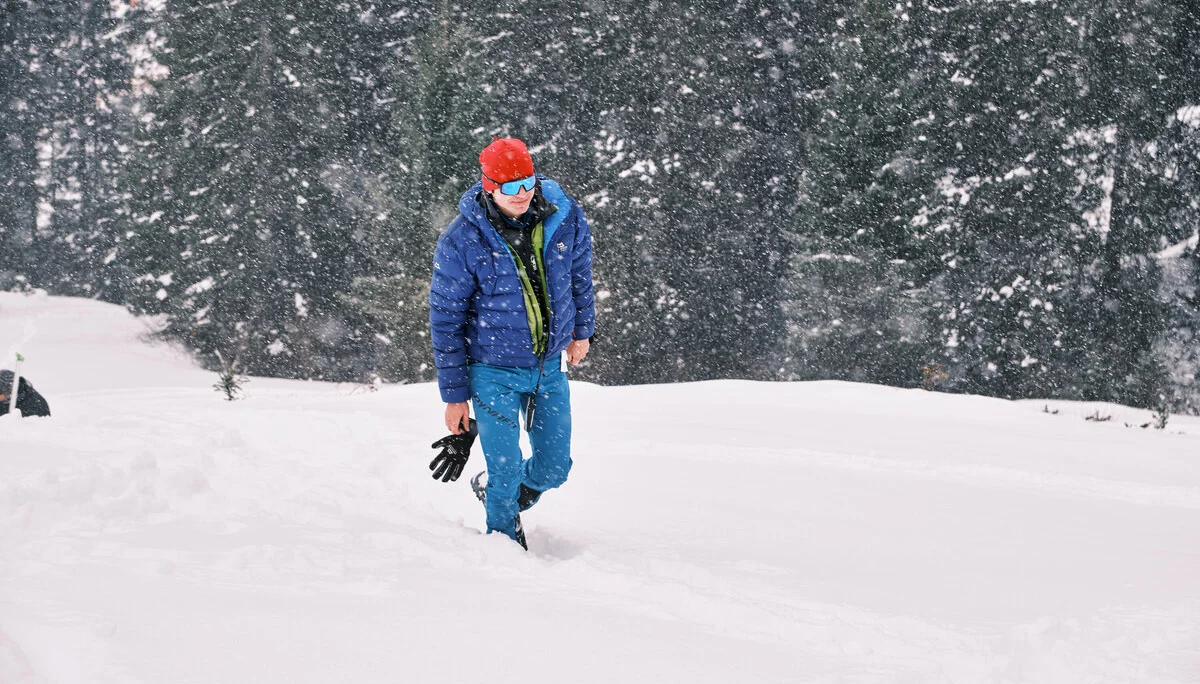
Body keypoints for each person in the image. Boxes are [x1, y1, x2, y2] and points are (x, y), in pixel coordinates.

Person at [429, 137, 595, 549]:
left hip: (548, 367)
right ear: (488, 187)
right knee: (504, 470)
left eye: (527, 183)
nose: (521, 195)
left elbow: (580, 277)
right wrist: (455, 396)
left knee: (555, 467)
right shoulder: (462, 240)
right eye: (509, 188)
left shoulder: (565, 216)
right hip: (491, 372)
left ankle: (500, 493)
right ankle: (503, 551)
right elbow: (445, 319)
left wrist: (582, 331)